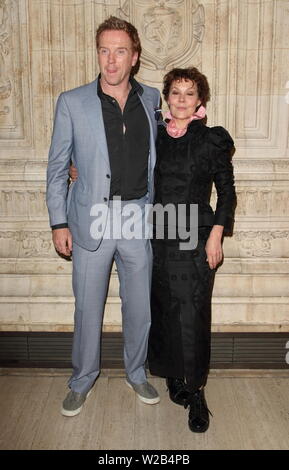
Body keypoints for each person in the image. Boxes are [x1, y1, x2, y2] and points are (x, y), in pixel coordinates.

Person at [46, 16, 161, 417]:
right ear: (97, 53)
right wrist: (58, 222)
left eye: (120, 51)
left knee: (140, 307)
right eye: (104, 50)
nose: (111, 61)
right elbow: (58, 167)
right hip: (91, 217)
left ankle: (137, 372)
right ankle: (82, 379)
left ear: (135, 57)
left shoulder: (152, 100)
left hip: (137, 216)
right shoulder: (72, 102)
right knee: (87, 307)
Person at [148, 67, 237, 433]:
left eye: (189, 93)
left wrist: (217, 234)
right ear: (166, 98)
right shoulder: (154, 137)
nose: (181, 99)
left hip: (197, 235)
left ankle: (196, 390)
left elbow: (227, 192)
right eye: (175, 92)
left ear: (201, 100)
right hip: (158, 235)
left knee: (193, 311)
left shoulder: (211, 140)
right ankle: (173, 375)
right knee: (165, 306)